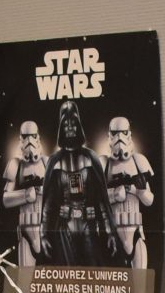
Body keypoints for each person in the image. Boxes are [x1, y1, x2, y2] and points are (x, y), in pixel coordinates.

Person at [39, 98, 112, 267]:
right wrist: (43, 234)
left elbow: (101, 199)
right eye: (66, 124)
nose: (70, 128)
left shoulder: (90, 158)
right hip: (65, 227)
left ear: (79, 125)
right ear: (61, 128)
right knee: (68, 273)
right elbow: (48, 204)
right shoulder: (55, 161)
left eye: (73, 123)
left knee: (93, 272)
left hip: (89, 225)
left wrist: (110, 231)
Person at [102, 115, 156, 269]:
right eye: (115, 133)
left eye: (123, 133)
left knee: (140, 281)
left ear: (129, 134)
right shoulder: (104, 163)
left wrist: (139, 191)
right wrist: (114, 195)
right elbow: (93, 199)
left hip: (136, 231)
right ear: (109, 135)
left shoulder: (138, 161)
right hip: (112, 235)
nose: (119, 138)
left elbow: (149, 200)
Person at [0, 120, 47, 272]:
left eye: (33, 136)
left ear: (38, 137)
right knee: (25, 279)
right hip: (26, 228)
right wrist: (25, 195)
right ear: (20, 139)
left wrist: (44, 191)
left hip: (47, 229)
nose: (29, 141)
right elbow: (5, 199)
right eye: (25, 137)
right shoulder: (15, 164)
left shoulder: (47, 162)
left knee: (50, 279)